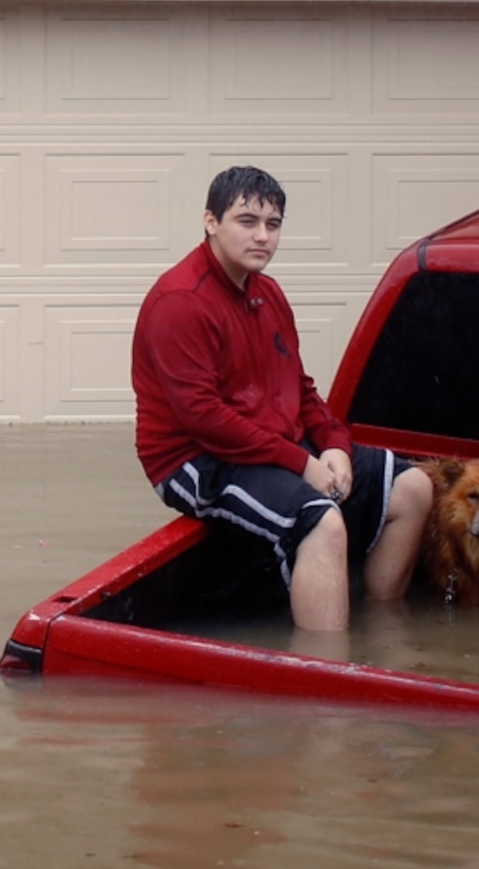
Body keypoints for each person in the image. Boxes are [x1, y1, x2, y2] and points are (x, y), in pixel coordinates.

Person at [133, 165, 434, 631]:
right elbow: (203, 417)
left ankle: (380, 631)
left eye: (272, 225)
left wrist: (333, 444)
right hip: (194, 459)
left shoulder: (267, 293)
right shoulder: (181, 301)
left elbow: (300, 387)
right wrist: (301, 463)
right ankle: (325, 679)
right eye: (247, 221)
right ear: (211, 221)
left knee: (413, 488)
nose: (262, 237)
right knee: (322, 522)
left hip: (270, 445)